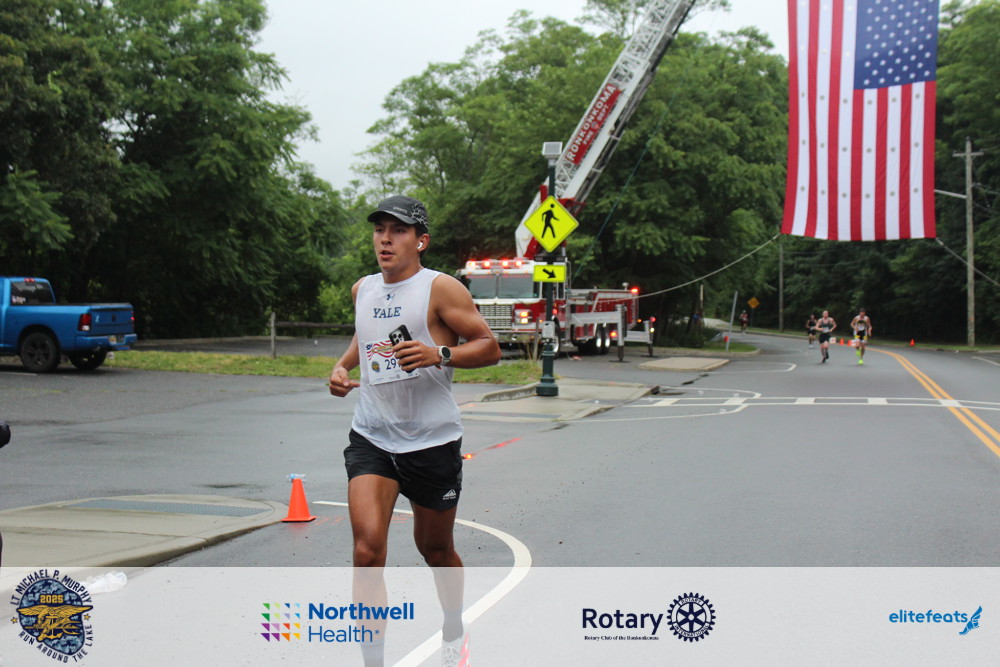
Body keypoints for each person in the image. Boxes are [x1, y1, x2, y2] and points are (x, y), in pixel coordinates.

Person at [328, 195, 501, 667]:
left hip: (431, 441)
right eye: (380, 229)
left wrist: (437, 354)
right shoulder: (362, 289)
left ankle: (453, 627)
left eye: (398, 231)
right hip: (372, 437)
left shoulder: (441, 289)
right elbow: (364, 336)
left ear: (421, 241)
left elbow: (489, 347)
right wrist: (342, 367)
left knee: (436, 549)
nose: (385, 239)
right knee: (367, 550)